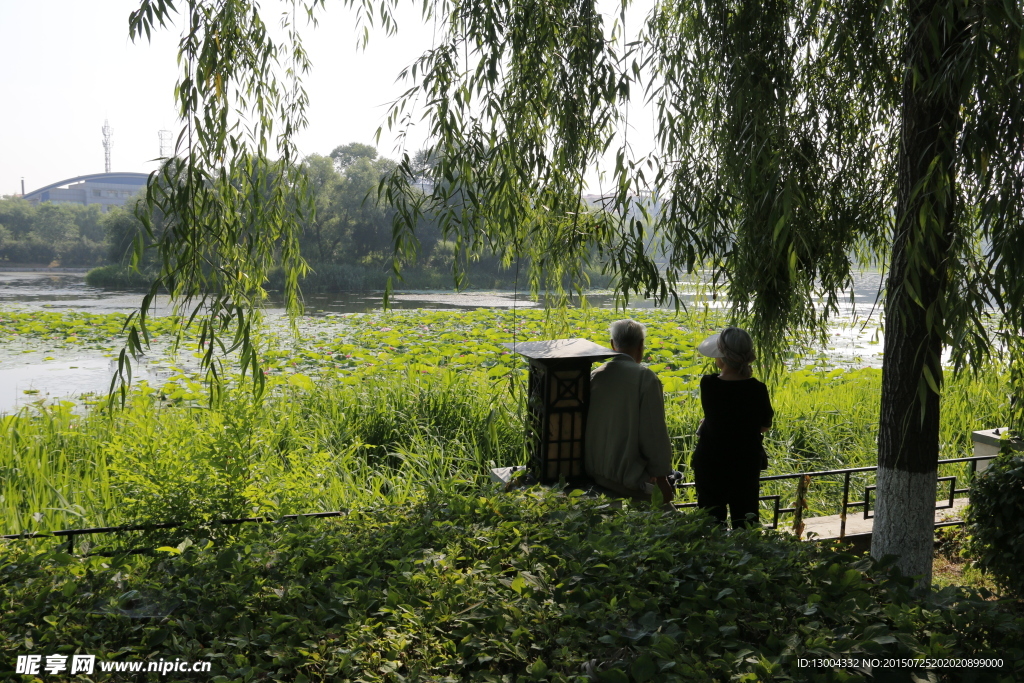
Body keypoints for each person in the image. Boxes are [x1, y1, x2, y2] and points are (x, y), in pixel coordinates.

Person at [585, 319, 675, 505]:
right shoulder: (645, 378)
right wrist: (661, 478)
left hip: (595, 474)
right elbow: (653, 435)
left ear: (612, 344)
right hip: (628, 481)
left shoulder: (596, 375)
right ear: (641, 345)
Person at [692, 327, 774, 528]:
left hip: (711, 461)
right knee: (745, 520)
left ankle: (711, 559)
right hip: (745, 462)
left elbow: (719, 416)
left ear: (721, 355)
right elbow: (764, 425)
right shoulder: (757, 389)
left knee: (711, 521)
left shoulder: (708, 384)